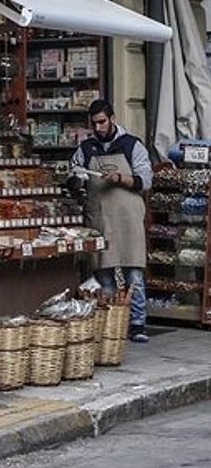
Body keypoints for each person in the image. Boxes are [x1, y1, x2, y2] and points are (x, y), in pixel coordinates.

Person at [69, 99, 153, 343]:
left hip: (127, 217)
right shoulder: (86, 148)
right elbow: (73, 180)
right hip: (100, 216)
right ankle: (111, 321)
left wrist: (119, 177)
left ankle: (137, 323)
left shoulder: (131, 145)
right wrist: (76, 179)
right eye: (94, 123)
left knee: (133, 270)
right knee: (104, 270)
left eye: (102, 122)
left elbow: (145, 180)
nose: (98, 127)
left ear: (113, 119)